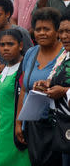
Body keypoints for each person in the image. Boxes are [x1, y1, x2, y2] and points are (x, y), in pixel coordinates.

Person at [0, 0, 33, 166]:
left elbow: (31, 60)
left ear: (8, 13)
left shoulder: (21, 33)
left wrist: (10, 68)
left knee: (16, 140)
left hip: (16, 96)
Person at [15, 8, 64, 166]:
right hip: (34, 125)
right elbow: (24, 89)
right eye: (38, 29)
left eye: (47, 29)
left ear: (57, 32)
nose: (42, 33)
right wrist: (18, 123)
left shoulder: (65, 54)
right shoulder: (30, 53)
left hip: (59, 125)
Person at [33, 12, 70, 166]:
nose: (64, 36)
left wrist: (64, 91)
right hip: (63, 125)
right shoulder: (64, 55)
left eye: (68, 31)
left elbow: (65, 88)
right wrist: (46, 84)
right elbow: (55, 78)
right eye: (61, 31)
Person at [0, 29, 30, 166]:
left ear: (20, 46)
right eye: (2, 45)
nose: (6, 48)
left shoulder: (25, 69)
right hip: (3, 131)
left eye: (10, 44)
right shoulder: (4, 69)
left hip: (18, 132)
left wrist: (19, 125)